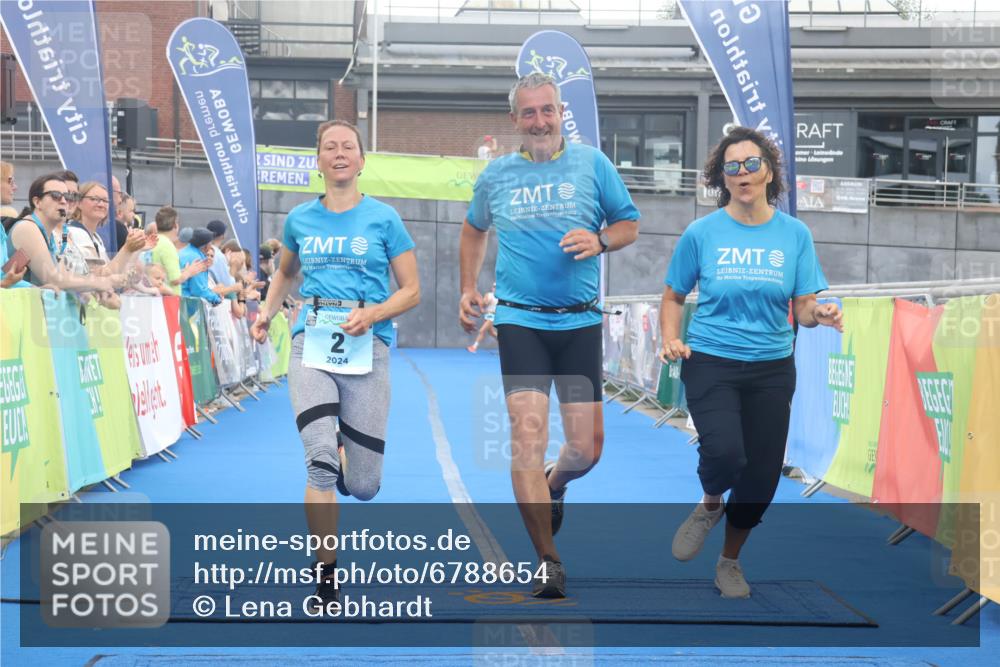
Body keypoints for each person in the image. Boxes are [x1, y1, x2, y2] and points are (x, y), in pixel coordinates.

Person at [459, 73, 640, 598]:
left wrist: (601, 239)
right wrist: (469, 287)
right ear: (515, 119)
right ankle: (548, 560)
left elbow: (629, 223)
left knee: (586, 449)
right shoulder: (497, 176)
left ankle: (553, 483)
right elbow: (474, 228)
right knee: (526, 438)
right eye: (529, 112)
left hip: (579, 319)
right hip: (521, 321)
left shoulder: (591, 165)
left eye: (547, 110)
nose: (539, 121)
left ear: (561, 113)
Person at [660, 126, 843, 599]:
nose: (741, 173)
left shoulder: (794, 234)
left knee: (761, 479)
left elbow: (803, 306)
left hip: (771, 368)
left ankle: (729, 562)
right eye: (731, 167)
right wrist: (669, 338)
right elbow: (674, 294)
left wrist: (819, 313)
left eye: (751, 164)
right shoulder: (702, 232)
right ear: (722, 177)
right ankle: (708, 505)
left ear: (769, 172)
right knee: (725, 454)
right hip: (712, 361)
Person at [250, 119, 420, 610]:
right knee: (319, 459)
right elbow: (285, 273)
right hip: (312, 343)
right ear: (319, 161)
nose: (340, 153)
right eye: (330, 147)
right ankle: (326, 574)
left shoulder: (384, 219)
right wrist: (266, 314)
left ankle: (349, 453)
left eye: (349, 146)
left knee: (364, 486)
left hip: (369, 349)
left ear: (362, 161)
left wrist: (374, 314)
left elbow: (412, 290)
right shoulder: (300, 219)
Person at [6, 173, 122, 293]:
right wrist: (101, 283)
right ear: (37, 202)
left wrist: (86, 292)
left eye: (67, 197)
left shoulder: (49, 234)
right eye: (55, 195)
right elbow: (53, 279)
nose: (64, 201)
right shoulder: (28, 228)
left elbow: (64, 277)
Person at [152, 206, 209, 295]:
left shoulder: (153, 241)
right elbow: (174, 279)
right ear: (175, 225)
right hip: (168, 302)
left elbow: (165, 276)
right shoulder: (168, 246)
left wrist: (185, 271)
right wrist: (189, 272)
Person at [179, 228, 222, 305]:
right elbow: (198, 290)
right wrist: (216, 299)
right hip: (187, 305)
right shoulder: (198, 259)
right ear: (205, 246)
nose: (212, 245)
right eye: (210, 242)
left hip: (178, 301)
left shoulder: (182, 252)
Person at [467, 282, 497, 353]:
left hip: (492, 316)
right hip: (487, 315)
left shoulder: (499, 297)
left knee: (481, 331)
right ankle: (505, 345)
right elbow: (483, 304)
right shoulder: (489, 295)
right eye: (494, 287)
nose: (495, 288)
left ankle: (474, 347)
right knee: (492, 333)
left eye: (496, 287)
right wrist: (484, 303)